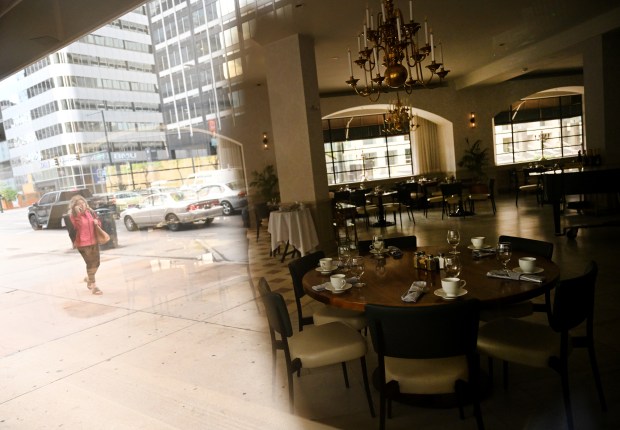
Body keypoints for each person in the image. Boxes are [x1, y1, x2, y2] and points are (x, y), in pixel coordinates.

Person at [68, 195, 103, 295]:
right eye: (79, 204)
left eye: (83, 202)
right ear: (74, 206)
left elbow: (98, 223)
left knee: (97, 263)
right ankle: (94, 286)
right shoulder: (73, 216)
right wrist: (78, 214)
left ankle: (89, 278)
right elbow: (76, 226)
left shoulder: (90, 212)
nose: (82, 205)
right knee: (90, 264)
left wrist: (97, 222)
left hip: (94, 241)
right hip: (82, 244)